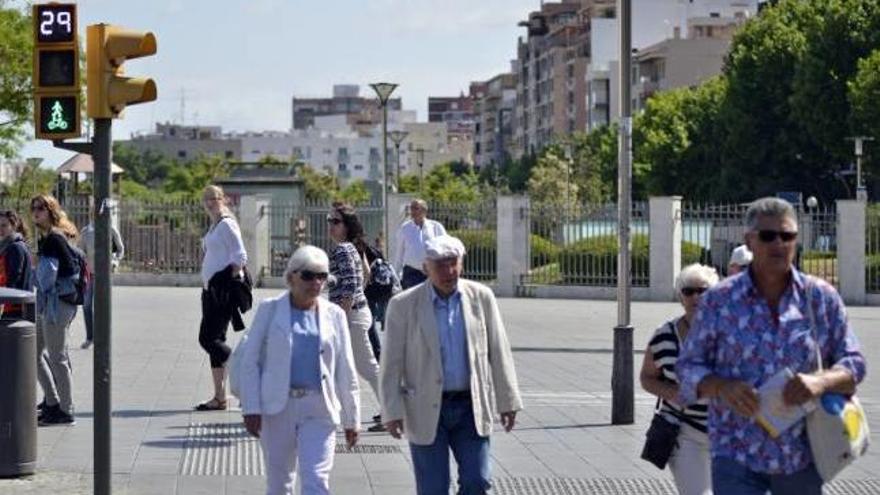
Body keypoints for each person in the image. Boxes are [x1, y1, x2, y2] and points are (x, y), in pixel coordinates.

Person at [677, 197, 867, 495]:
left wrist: (819, 381)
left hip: (801, 456)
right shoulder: (720, 301)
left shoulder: (820, 298)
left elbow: (854, 363)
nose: (778, 243)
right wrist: (721, 387)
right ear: (749, 241)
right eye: (768, 236)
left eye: (788, 236)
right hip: (736, 453)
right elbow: (688, 365)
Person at [380, 234, 523, 495]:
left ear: (462, 264)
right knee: (433, 488)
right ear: (426, 268)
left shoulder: (481, 297)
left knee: (477, 481)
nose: (449, 271)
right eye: (440, 265)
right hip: (424, 407)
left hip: (470, 406)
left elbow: (498, 350)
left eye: (453, 263)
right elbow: (390, 363)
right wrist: (391, 410)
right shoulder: (403, 305)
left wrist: (508, 401)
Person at [239, 245, 360, 495]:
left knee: (316, 480)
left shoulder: (335, 314)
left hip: (320, 408)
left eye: (322, 276)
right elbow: (250, 362)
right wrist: (251, 408)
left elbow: (346, 369)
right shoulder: (269, 309)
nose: (316, 282)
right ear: (291, 276)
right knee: (279, 483)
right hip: (276, 408)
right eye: (308, 275)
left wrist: (352, 418)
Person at [640, 263, 719, 495]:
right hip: (685, 434)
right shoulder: (663, 335)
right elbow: (646, 377)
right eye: (688, 291)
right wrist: (671, 393)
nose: (696, 297)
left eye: (702, 291)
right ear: (680, 297)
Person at [326, 203, 385, 431]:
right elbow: (365, 275)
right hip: (359, 312)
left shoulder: (342, 249)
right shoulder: (353, 247)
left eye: (336, 222)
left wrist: (341, 314)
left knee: (368, 367)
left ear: (347, 226)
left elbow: (350, 284)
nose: (331, 226)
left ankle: (395, 411)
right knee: (353, 366)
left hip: (351, 315)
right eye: (329, 221)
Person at [195, 185, 248, 411]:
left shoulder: (227, 224)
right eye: (206, 199)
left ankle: (244, 372)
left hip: (221, 292)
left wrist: (223, 283)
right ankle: (220, 397)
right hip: (210, 291)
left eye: (214, 198)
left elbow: (240, 256)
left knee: (208, 340)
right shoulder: (215, 225)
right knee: (216, 341)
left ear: (223, 199)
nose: (209, 203)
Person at [31, 194, 79, 426]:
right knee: (34, 353)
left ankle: (65, 410)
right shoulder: (51, 238)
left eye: (40, 208)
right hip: (51, 304)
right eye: (33, 209)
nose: (36, 212)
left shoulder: (53, 239)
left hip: (56, 305)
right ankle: (52, 402)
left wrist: (35, 268)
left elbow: (46, 277)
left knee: (57, 357)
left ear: (51, 211)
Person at [77, 208, 125, 349]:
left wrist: (115, 261)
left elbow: (120, 249)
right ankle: (89, 337)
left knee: (101, 307)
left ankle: (102, 338)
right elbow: (80, 251)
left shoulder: (111, 229)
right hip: (90, 274)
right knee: (86, 306)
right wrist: (83, 262)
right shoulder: (86, 232)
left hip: (104, 275)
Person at [394, 199, 446, 289]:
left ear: (424, 211)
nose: (412, 211)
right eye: (411, 208)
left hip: (432, 272)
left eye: (415, 208)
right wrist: (396, 275)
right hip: (411, 274)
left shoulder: (436, 227)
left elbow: (445, 250)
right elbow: (399, 253)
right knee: (413, 301)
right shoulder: (405, 229)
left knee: (431, 300)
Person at [0, 209, 34, 293]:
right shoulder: (7, 246)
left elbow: (13, 279)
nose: (0, 229)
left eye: (4, 225)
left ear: (14, 226)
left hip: (16, 301)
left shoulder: (15, 247)